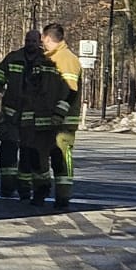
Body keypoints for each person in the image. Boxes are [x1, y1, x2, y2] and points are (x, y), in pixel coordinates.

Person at [0, 30, 43, 198]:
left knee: (30, 153)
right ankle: (7, 186)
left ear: (39, 42)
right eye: (28, 40)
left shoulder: (46, 61)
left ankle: (26, 188)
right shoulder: (13, 57)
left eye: (33, 41)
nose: (30, 43)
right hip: (11, 114)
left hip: (33, 116)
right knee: (8, 152)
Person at [37, 23, 83, 208]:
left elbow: (70, 90)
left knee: (61, 158)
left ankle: (63, 197)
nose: (42, 44)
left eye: (43, 40)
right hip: (49, 120)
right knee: (41, 156)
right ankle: (43, 191)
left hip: (63, 122)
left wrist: (59, 113)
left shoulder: (66, 59)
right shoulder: (51, 59)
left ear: (48, 38)